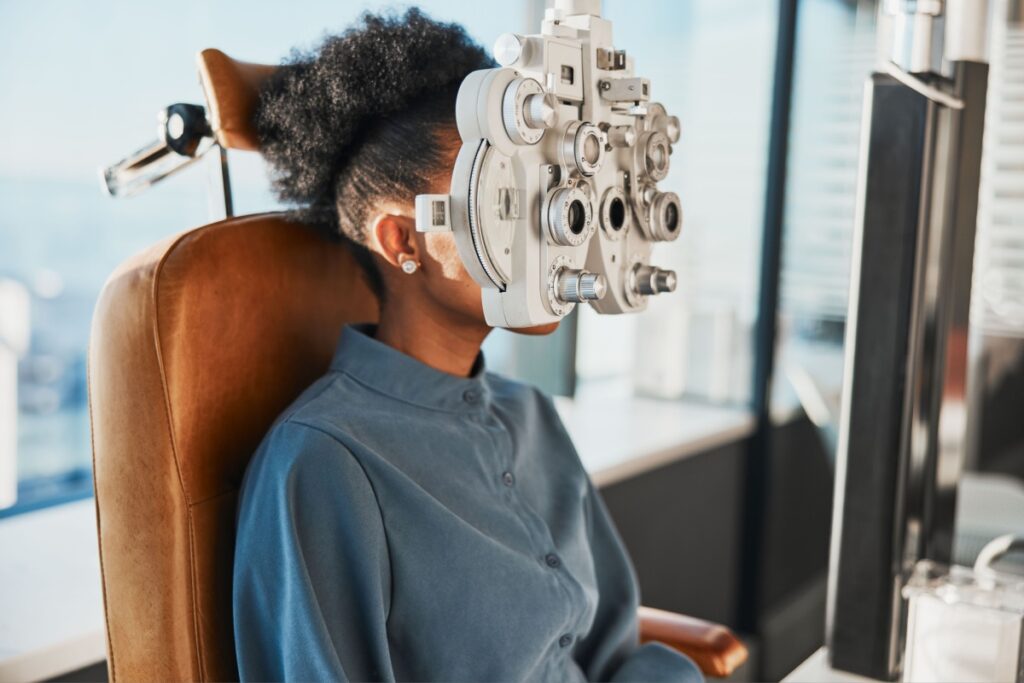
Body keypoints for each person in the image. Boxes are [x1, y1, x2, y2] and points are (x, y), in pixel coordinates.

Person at [232, 8, 701, 682]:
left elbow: (613, 653)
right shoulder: (324, 460)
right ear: (402, 240)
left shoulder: (530, 414)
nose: (554, 228)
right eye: (508, 195)